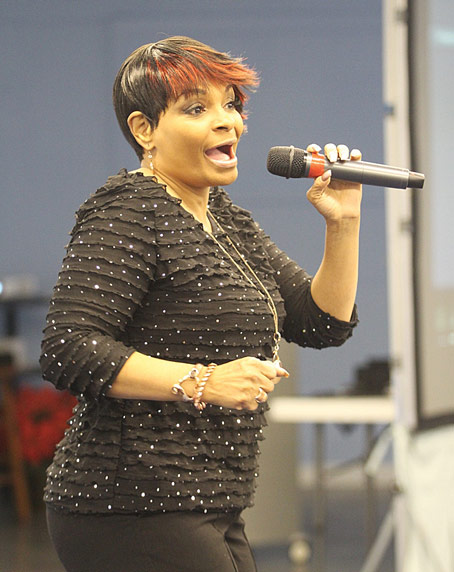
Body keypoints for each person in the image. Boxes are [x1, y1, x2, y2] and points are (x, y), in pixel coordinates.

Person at [41, 36, 361, 572]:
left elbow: (319, 322)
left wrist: (344, 222)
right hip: (129, 500)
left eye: (231, 106)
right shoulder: (128, 210)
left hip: (210, 497)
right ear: (144, 129)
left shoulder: (226, 219)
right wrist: (203, 381)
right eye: (196, 109)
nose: (226, 122)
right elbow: (68, 348)